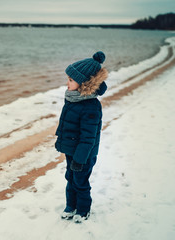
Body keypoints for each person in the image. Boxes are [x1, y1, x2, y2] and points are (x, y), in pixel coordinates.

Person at [55, 51, 108, 223]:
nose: (67, 82)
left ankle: (83, 210)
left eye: (71, 80)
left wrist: (80, 159)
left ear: (84, 82)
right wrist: (61, 141)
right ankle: (71, 206)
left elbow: (88, 137)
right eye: (68, 79)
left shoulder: (91, 106)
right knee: (70, 178)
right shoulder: (73, 98)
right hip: (72, 150)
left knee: (80, 181)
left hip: (84, 154)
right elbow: (67, 124)